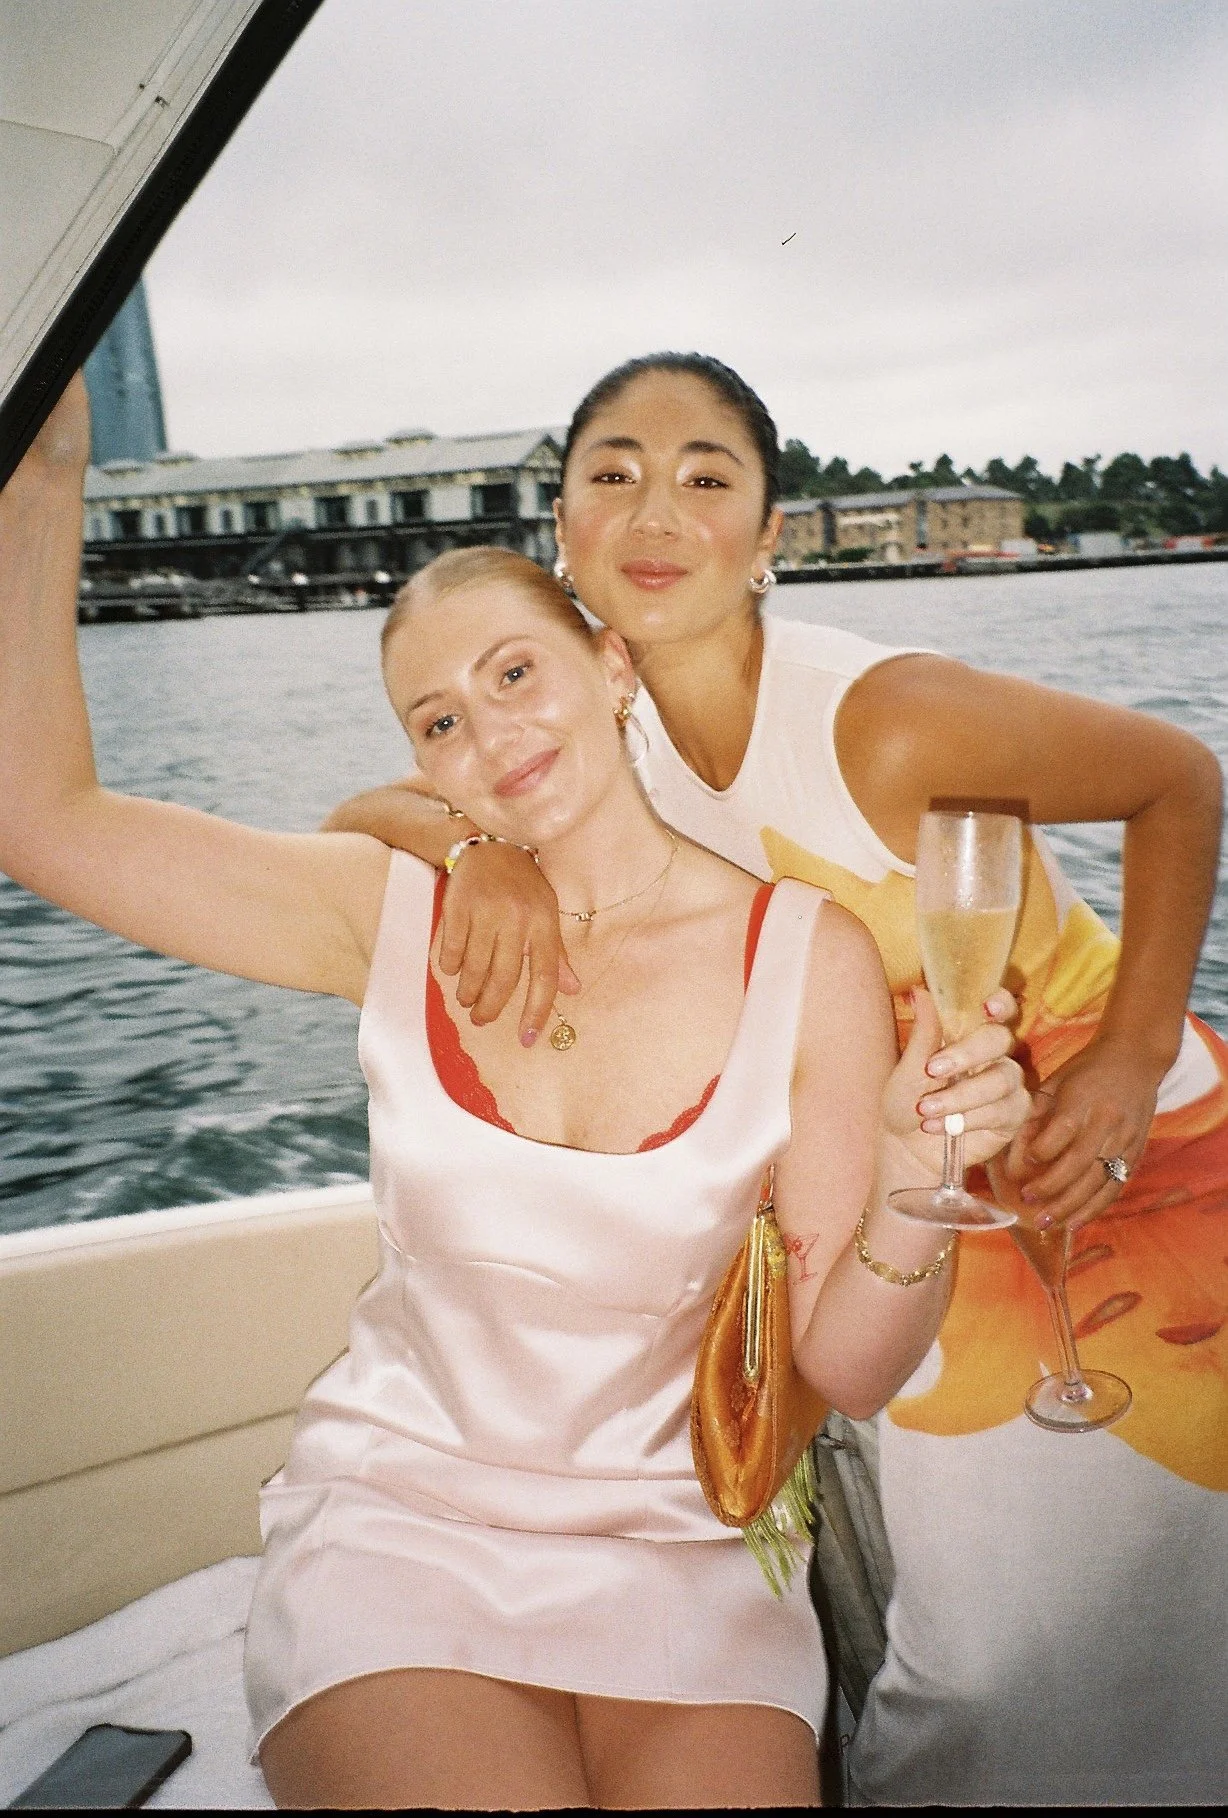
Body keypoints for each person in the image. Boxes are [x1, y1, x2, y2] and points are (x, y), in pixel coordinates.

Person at [0, 377, 1030, 1810]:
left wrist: (922, 1173)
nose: (488, 737)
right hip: (402, 1533)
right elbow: (43, 819)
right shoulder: (389, 913)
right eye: (437, 722)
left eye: (513, 675)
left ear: (610, 665)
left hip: (682, 1549)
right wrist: (43, 479)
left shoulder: (810, 960)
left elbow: (843, 1369)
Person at [327, 352, 1228, 1806]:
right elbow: (365, 811)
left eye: (706, 476)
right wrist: (475, 847)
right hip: (909, 1175)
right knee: (973, 1651)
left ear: (767, 534)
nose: (655, 510)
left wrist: (1129, 1052)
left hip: (1108, 1148)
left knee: (1008, 1666)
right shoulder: (594, 726)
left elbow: (1177, 777)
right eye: (613, 473)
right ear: (563, 528)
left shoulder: (882, 719)